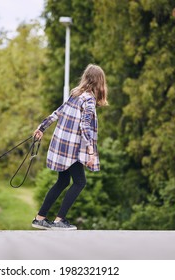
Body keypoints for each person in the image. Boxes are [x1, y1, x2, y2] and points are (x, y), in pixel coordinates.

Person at [32, 64, 108, 230]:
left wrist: (41, 127)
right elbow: (85, 126)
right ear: (99, 82)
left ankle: (40, 218)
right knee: (80, 182)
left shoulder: (75, 93)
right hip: (73, 147)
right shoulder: (88, 99)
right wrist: (91, 152)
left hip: (62, 144)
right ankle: (59, 221)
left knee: (63, 181)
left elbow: (58, 112)